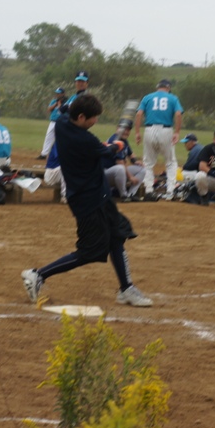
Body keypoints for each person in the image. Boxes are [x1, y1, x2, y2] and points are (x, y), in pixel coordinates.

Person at [21, 94, 152, 307]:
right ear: (81, 117)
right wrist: (118, 144)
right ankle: (38, 274)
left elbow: (65, 110)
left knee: (118, 234)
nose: (95, 121)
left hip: (99, 195)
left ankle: (126, 288)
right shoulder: (84, 140)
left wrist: (113, 144)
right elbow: (108, 150)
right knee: (90, 251)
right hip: (87, 200)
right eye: (93, 118)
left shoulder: (63, 123)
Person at [134, 79, 184, 200]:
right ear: (168, 88)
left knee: (148, 162)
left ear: (158, 87)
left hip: (149, 130)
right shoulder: (172, 98)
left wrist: (137, 132)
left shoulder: (147, 97)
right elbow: (178, 114)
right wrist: (177, 132)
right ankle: (170, 191)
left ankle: (149, 190)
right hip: (166, 130)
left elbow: (139, 114)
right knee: (171, 162)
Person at [105, 126, 146, 200]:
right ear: (117, 129)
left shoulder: (124, 141)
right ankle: (123, 195)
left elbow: (130, 153)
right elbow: (119, 162)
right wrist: (130, 177)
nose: (126, 132)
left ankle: (131, 194)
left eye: (128, 130)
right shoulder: (115, 140)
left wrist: (135, 161)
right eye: (124, 129)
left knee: (141, 169)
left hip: (116, 173)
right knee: (121, 168)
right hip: (105, 174)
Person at [38, 87, 67, 159]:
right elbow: (49, 109)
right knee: (48, 137)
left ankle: (63, 155)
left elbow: (65, 111)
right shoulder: (54, 101)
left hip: (61, 123)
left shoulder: (66, 102)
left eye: (59, 93)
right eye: (57, 93)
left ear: (63, 94)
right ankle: (44, 154)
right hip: (52, 122)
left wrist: (60, 104)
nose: (57, 95)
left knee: (62, 139)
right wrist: (55, 104)